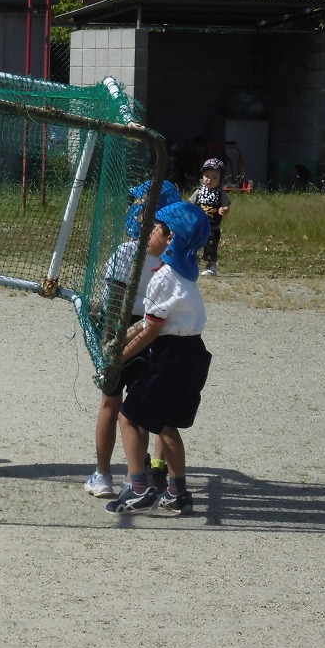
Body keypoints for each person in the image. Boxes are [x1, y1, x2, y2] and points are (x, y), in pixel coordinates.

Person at [106, 201, 212, 516]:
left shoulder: (164, 276)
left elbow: (152, 330)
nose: (149, 232)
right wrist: (123, 336)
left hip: (170, 358)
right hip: (192, 354)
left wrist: (118, 358)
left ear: (170, 238)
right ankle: (178, 492)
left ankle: (139, 488)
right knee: (166, 425)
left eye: (156, 228)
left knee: (128, 416)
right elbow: (155, 319)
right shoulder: (185, 275)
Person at [85, 178, 182, 499]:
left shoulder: (128, 251)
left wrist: (107, 336)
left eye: (142, 207)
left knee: (111, 403)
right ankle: (134, 476)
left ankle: (103, 474)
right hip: (155, 333)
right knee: (139, 408)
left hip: (125, 330)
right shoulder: (176, 258)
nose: (135, 210)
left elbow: (115, 296)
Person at [190, 157, 231, 276]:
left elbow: (226, 205)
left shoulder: (220, 193)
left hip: (213, 226)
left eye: (214, 178)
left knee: (211, 245)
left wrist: (225, 209)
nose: (210, 180)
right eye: (207, 176)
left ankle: (211, 266)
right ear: (202, 176)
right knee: (193, 242)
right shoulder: (199, 191)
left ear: (220, 179)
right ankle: (192, 260)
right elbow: (191, 204)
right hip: (198, 225)